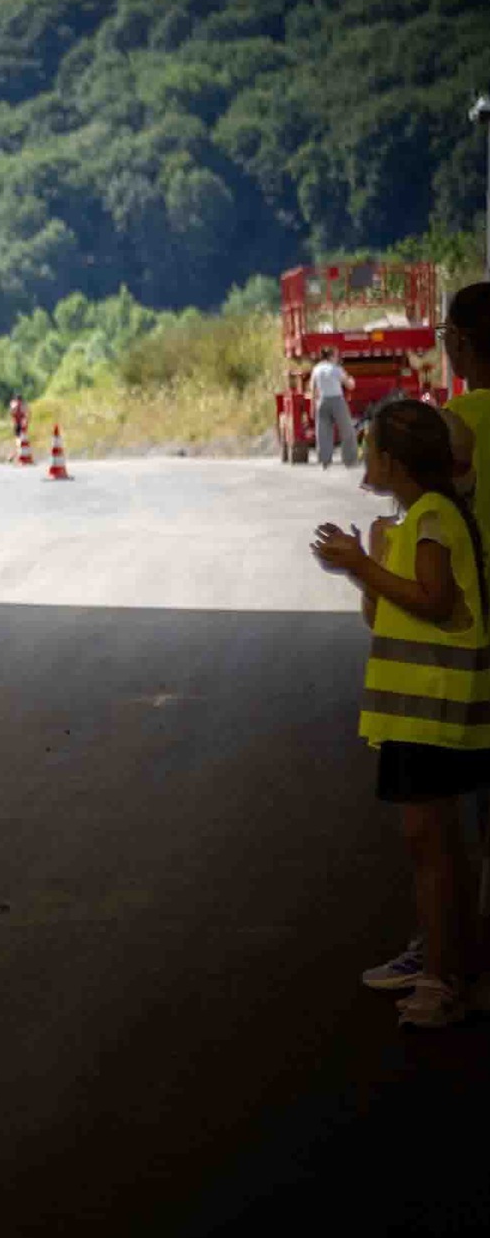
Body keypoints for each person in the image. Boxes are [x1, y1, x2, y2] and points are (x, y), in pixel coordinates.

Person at [311, 397, 489, 1028]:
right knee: (438, 843)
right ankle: (454, 963)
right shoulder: (420, 518)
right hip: (422, 712)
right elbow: (385, 612)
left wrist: (364, 563)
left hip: (430, 711)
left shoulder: (434, 516)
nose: (364, 456)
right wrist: (365, 567)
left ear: (395, 461)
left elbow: (435, 601)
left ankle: (439, 981)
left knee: (430, 845)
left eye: (371, 448)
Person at [309, 348, 356, 470]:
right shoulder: (336, 369)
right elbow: (349, 385)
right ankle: (349, 460)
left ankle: (325, 461)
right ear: (331, 356)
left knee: (323, 432)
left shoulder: (316, 369)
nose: (337, 358)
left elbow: (312, 389)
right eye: (336, 355)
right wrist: (352, 380)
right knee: (347, 431)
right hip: (337, 401)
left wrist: (312, 406)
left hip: (322, 402)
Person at [9, 395, 30, 459]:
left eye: (18, 401)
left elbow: (27, 414)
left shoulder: (23, 405)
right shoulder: (15, 405)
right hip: (18, 424)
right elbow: (12, 415)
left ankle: (16, 455)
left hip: (22, 424)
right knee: (18, 440)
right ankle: (17, 455)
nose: (18, 402)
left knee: (21, 440)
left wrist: (25, 421)